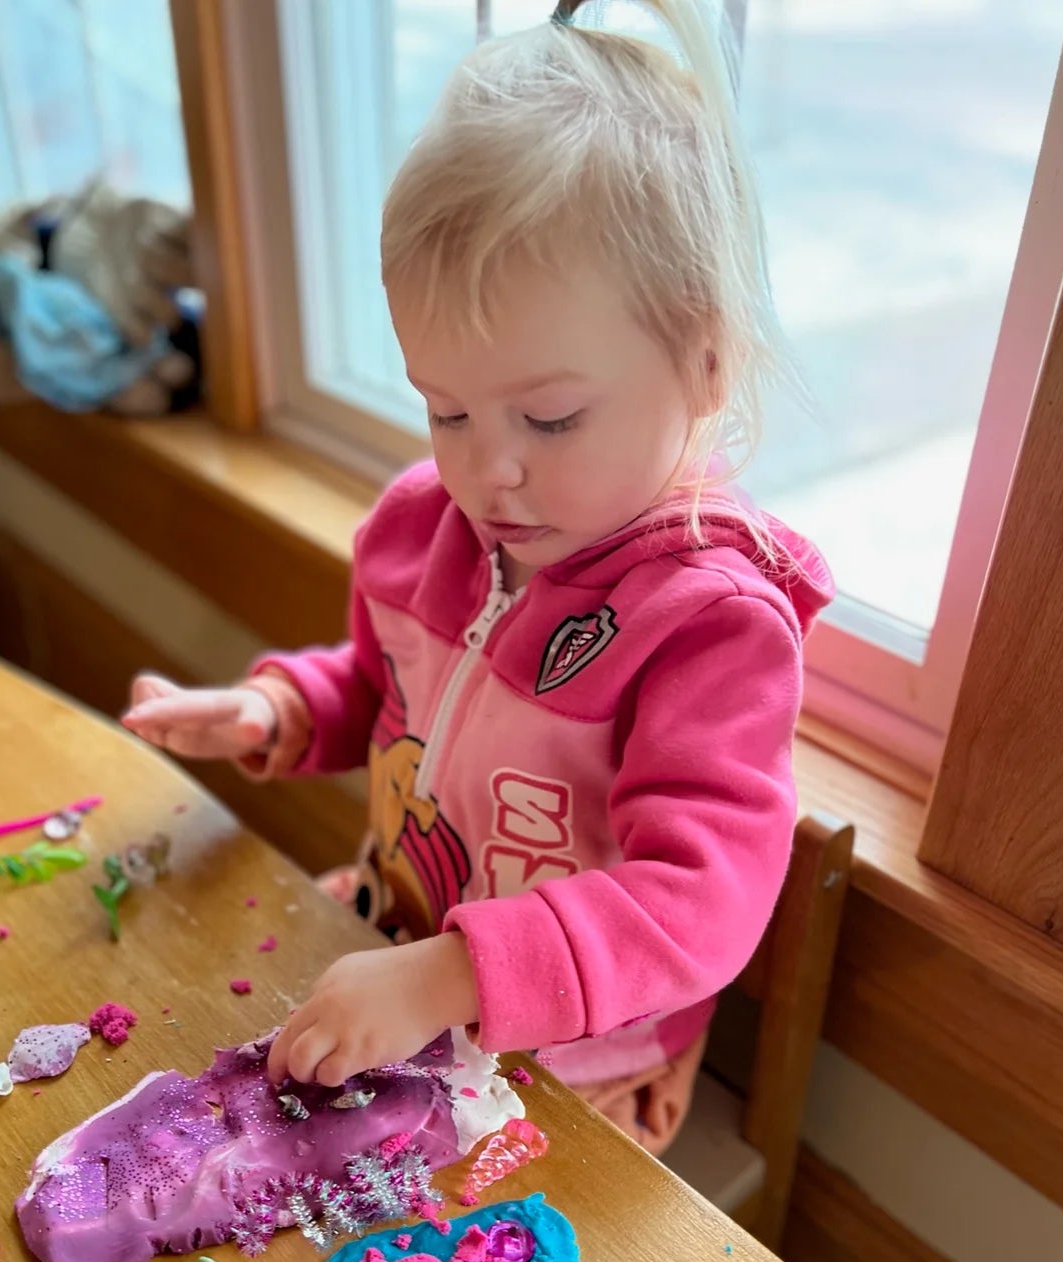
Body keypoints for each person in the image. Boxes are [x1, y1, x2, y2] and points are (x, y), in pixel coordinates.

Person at [122, 0, 832, 1157]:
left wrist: (454, 976)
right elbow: (380, 685)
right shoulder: (426, 525)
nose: (485, 468)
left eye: (547, 416)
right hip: (395, 952)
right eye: (444, 406)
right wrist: (280, 708)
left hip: (577, 1068)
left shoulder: (709, 626)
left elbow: (697, 903)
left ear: (704, 357)